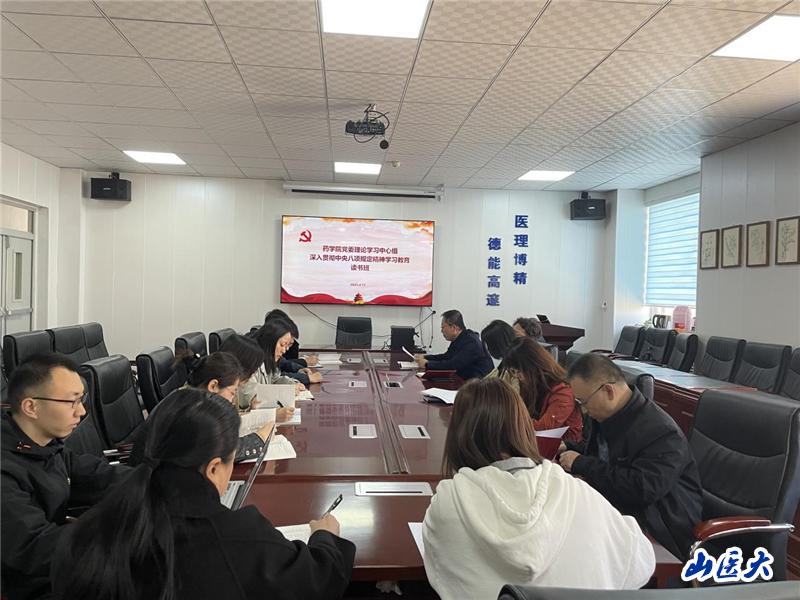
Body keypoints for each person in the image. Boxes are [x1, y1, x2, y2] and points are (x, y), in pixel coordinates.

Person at [51, 389, 355, 600]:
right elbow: (317, 580)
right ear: (213, 468)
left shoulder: (91, 528)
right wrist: (325, 537)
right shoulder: (240, 536)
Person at [422, 379, 655, 599]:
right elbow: (641, 560)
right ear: (523, 426)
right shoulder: (573, 489)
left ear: (458, 434)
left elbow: (441, 567)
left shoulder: (452, 499)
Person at [1, 354, 128, 600]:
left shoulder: (44, 444)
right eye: (71, 402)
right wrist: (113, 534)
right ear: (31, 407)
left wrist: (157, 481)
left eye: (81, 399)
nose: (81, 411)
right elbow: (34, 547)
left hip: (61, 564)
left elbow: (96, 475)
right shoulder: (6, 468)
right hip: (32, 584)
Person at [559, 353, 702, 560]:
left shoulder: (662, 432)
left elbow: (642, 488)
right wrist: (569, 447)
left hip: (659, 528)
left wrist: (582, 464)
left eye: (584, 402)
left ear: (608, 390)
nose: (583, 410)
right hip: (619, 512)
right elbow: (602, 454)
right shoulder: (604, 416)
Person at [175, 351, 280, 463]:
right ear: (213, 386)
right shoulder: (191, 412)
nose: (233, 401)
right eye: (232, 393)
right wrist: (261, 437)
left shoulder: (192, 398)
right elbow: (221, 451)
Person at [500, 337, 583, 442]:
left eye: (518, 371)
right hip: (534, 441)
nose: (517, 376)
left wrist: (509, 419)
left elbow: (544, 428)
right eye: (513, 372)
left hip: (563, 446)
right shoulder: (530, 384)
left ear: (533, 366)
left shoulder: (563, 391)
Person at [218, 334, 295, 419]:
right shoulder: (222, 391)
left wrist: (250, 409)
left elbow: (236, 416)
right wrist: (271, 416)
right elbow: (228, 423)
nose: (252, 375)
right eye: (251, 371)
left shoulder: (232, 386)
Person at [414, 310, 493, 379]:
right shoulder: (460, 338)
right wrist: (425, 357)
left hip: (480, 384)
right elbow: (447, 357)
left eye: (443, 327)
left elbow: (454, 365)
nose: (441, 331)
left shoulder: (471, 342)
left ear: (454, 328)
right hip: (467, 380)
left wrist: (427, 364)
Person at [264, 309, 321, 384]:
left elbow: (282, 364)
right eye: (283, 344)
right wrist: (306, 378)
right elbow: (274, 378)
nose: (285, 350)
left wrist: (298, 369)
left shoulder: (269, 350)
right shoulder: (257, 353)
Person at [480, 319, 519, 390]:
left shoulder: (516, 369)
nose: (487, 349)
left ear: (497, 345)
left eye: (489, 345)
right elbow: (490, 378)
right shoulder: (506, 362)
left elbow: (514, 393)